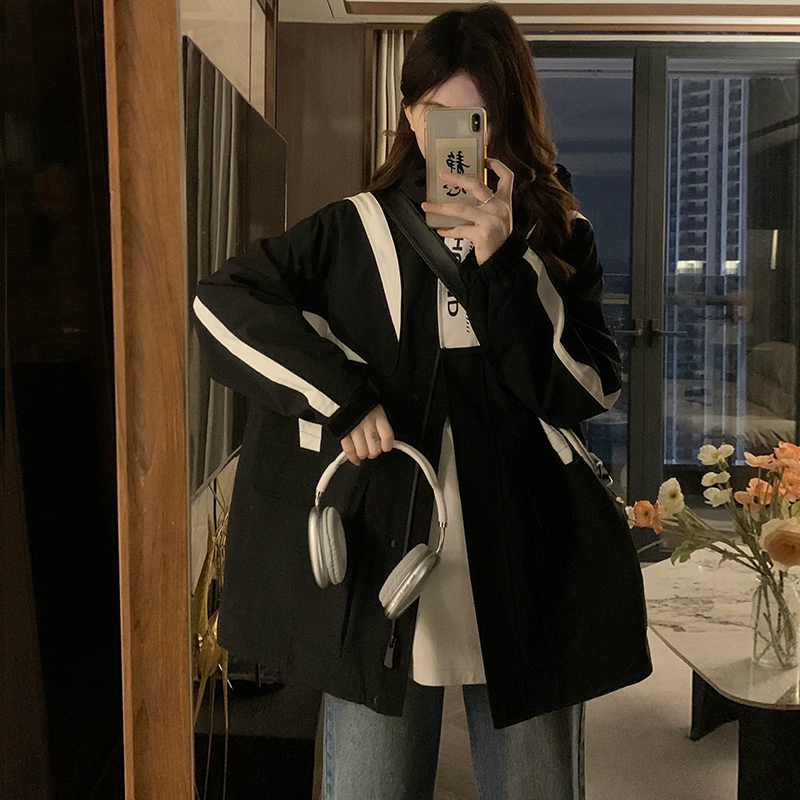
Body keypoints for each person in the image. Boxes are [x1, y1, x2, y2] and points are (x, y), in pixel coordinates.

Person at [192, 4, 652, 799]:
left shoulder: (557, 233)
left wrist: (506, 261)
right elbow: (219, 301)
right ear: (410, 114)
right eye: (439, 112)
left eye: (479, 115)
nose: (458, 136)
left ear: (508, 118)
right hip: (385, 571)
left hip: (523, 568)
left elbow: (586, 388)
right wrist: (342, 396)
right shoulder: (354, 231)